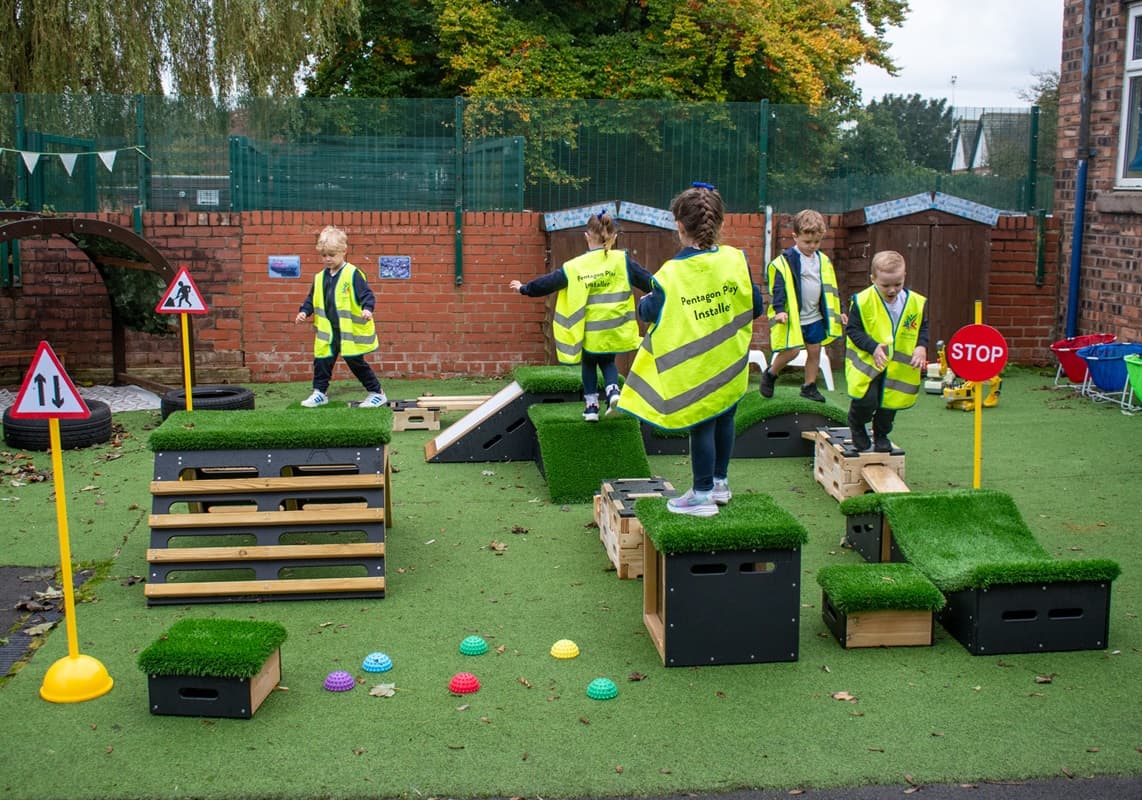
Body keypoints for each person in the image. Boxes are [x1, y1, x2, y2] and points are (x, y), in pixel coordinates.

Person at [617, 183, 764, 516]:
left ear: (679, 226)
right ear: (719, 223)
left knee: (702, 424)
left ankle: (701, 495)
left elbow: (651, 312)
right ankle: (720, 483)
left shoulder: (671, 274)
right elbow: (755, 306)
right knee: (725, 416)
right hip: (731, 362)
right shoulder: (736, 260)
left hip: (698, 370)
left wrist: (643, 305)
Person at [509, 210, 654, 421]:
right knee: (608, 362)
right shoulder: (622, 261)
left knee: (588, 364)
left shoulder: (576, 267)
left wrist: (525, 288)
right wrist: (659, 288)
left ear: (587, 237)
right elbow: (647, 280)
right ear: (614, 237)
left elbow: (549, 282)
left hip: (589, 331)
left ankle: (591, 406)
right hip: (615, 329)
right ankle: (613, 390)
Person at [844, 249, 929, 452]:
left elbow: (923, 327)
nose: (892, 290)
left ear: (904, 276)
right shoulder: (862, 301)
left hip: (897, 368)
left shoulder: (915, 302)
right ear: (873, 279)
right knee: (867, 401)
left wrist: (921, 347)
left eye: (897, 284)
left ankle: (881, 434)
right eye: (885, 285)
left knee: (889, 404)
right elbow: (853, 330)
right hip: (868, 364)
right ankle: (857, 425)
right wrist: (873, 347)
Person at [294, 225, 387, 408]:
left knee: (356, 363)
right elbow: (312, 298)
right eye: (324, 255)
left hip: (348, 332)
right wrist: (304, 311)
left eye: (332, 255)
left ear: (343, 251)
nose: (327, 259)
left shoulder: (352, 274)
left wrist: (368, 309)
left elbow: (367, 295)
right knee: (322, 362)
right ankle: (320, 393)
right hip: (328, 333)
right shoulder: (320, 277)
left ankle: (377, 392)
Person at [760, 208, 846, 402]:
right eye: (807, 242)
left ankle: (809, 386)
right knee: (792, 351)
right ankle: (771, 374)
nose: (812, 246)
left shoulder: (823, 261)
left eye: (817, 241)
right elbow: (779, 288)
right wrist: (780, 311)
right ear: (795, 237)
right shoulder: (785, 261)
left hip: (814, 316)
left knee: (815, 351)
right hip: (794, 317)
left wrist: (837, 313)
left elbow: (831, 289)